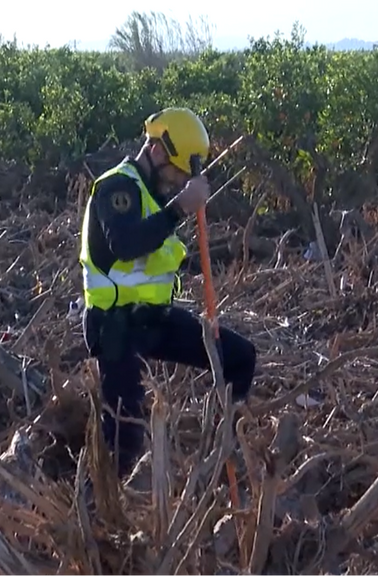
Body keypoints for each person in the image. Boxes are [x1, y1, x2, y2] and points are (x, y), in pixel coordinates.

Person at [78, 107, 257, 481]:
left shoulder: (151, 191)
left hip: (153, 321)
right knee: (125, 435)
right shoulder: (118, 187)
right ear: (158, 153)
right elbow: (125, 243)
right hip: (115, 328)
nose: (178, 181)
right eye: (177, 171)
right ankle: (110, 509)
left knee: (240, 358)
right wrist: (179, 209)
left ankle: (224, 456)